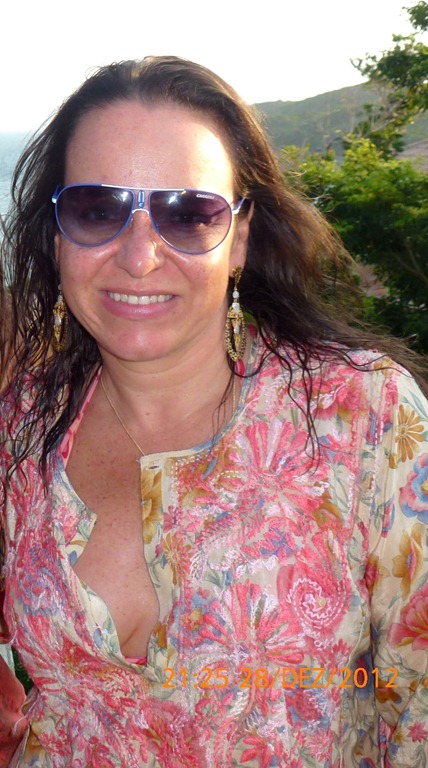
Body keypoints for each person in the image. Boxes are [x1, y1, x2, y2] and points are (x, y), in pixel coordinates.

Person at [1, 55, 428, 768]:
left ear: (241, 239)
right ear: (56, 235)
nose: (139, 256)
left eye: (189, 213)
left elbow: (416, 703)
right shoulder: (21, 428)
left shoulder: (364, 418)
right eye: (97, 210)